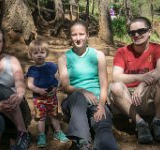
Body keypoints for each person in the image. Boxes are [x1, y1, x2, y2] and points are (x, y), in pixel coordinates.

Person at [58, 20, 118, 150]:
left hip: (97, 102)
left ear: (87, 35)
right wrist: (83, 91)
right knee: (78, 96)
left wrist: (102, 105)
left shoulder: (98, 55)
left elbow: (103, 84)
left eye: (81, 34)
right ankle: (83, 143)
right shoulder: (63, 58)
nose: (78, 38)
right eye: (74, 35)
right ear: (70, 36)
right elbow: (66, 87)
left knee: (104, 129)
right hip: (74, 103)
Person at [108, 16, 160, 144]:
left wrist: (142, 84)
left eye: (141, 31)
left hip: (148, 97)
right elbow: (116, 76)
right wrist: (140, 77)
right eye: (132, 32)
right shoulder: (122, 52)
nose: (137, 35)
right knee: (115, 86)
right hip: (126, 99)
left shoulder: (158, 49)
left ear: (150, 32)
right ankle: (140, 124)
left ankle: (158, 122)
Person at [26, 39, 69, 148]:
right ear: (31, 55)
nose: (39, 55)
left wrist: (56, 87)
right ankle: (41, 135)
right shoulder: (32, 69)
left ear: (46, 53)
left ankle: (58, 132)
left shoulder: (51, 66)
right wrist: (39, 90)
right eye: (35, 53)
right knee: (41, 118)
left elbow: (58, 79)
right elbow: (30, 85)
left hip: (51, 97)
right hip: (39, 98)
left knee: (54, 115)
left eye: (42, 52)